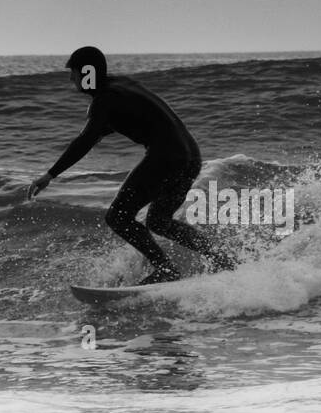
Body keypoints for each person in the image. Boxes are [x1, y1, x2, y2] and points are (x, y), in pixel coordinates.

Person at [25, 46, 235, 285]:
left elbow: (85, 141)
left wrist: (50, 175)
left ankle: (166, 269)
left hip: (166, 157)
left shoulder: (105, 100)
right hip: (190, 156)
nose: (71, 79)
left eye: (73, 73)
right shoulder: (121, 87)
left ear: (87, 72)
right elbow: (128, 119)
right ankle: (223, 259)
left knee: (118, 217)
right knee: (159, 222)